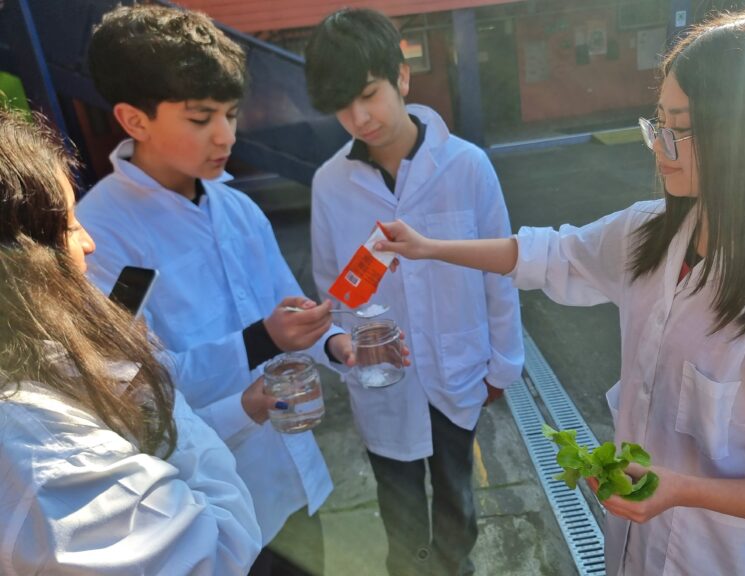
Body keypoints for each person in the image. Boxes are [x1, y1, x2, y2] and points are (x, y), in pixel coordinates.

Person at [375, 8, 745, 575]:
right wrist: (428, 247)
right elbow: (548, 254)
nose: (658, 145)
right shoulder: (650, 232)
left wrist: (680, 490)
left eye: (679, 129)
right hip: (629, 546)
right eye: (656, 122)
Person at [76, 5, 354, 575]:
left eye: (230, 113)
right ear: (134, 120)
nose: (226, 135)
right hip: (205, 501)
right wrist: (262, 340)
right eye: (201, 118)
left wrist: (332, 342)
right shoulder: (100, 235)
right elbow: (137, 388)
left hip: (289, 470)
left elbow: (285, 301)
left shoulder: (236, 205)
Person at [304, 9, 524, 576]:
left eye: (368, 94)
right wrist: (342, 349)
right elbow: (331, 287)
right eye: (342, 106)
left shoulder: (466, 166)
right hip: (382, 377)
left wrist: (502, 365)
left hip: (459, 368)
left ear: (401, 76)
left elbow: (499, 272)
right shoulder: (330, 184)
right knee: (399, 509)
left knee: (457, 499)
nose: (359, 118)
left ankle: (456, 566)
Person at [0, 109, 261, 574]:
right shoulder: (53, 450)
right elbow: (218, 550)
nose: (88, 243)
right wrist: (137, 372)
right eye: (68, 226)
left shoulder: (236, 204)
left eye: (232, 114)